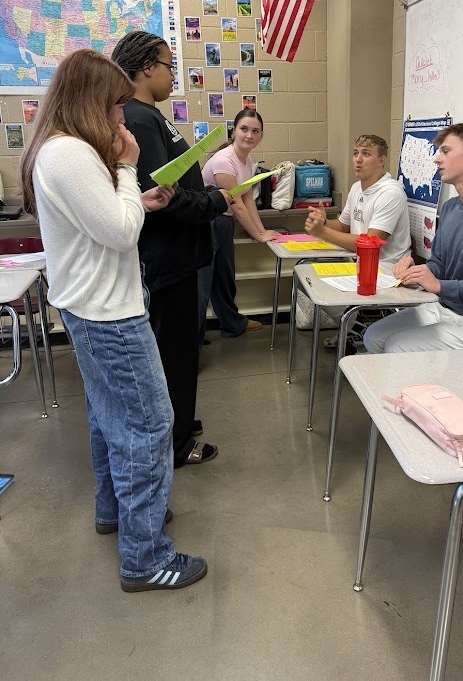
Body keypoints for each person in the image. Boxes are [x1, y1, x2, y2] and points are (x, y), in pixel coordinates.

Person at [20, 48, 207, 591]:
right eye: (116, 108)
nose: (123, 120)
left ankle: (117, 514)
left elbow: (107, 221)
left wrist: (139, 197)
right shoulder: (72, 154)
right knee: (149, 427)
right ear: (90, 103)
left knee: (109, 421)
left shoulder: (60, 151)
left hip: (92, 307)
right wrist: (127, 168)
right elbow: (122, 234)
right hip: (111, 315)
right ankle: (145, 557)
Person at [111, 31, 232, 468]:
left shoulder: (149, 116)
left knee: (180, 350)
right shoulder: (140, 119)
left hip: (179, 256)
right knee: (175, 353)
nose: (171, 75)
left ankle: (180, 420)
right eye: (168, 66)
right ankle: (177, 446)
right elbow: (164, 197)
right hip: (169, 259)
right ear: (147, 67)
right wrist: (217, 201)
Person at [363, 121, 463, 356]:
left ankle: (418, 391)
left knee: (396, 346)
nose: (437, 159)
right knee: (373, 337)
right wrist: (418, 274)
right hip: (446, 307)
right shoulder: (450, 208)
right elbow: (438, 264)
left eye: (446, 151)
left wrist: (439, 286)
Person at [304, 133, 411, 349]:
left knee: (315, 279)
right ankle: (355, 326)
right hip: (361, 263)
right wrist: (323, 221)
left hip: (386, 268)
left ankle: (357, 327)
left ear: (381, 160)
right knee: (307, 273)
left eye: (366, 154)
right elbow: (343, 226)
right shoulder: (357, 188)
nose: (358, 159)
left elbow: (371, 243)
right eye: (355, 153)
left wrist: (322, 232)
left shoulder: (390, 193)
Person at [198, 107, 279, 342]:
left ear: (261, 136)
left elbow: (247, 198)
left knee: (224, 278)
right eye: (244, 129)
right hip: (207, 224)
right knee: (202, 285)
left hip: (224, 223)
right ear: (234, 131)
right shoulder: (224, 160)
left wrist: (261, 231)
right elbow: (236, 204)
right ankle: (192, 343)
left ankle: (232, 324)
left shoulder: (246, 159)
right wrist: (258, 234)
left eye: (255, 131)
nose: (249, 135)